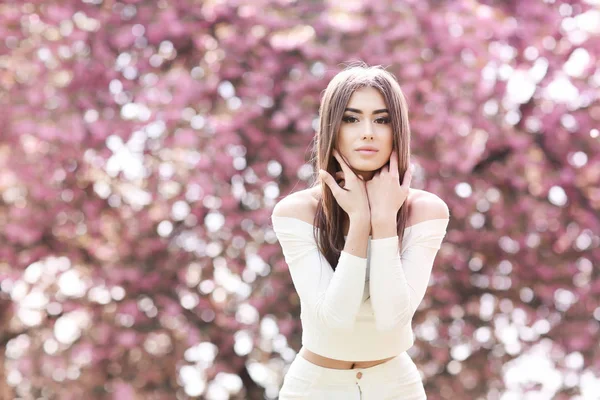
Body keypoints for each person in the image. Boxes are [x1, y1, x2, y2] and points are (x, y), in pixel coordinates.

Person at [271, 62, 450, 399]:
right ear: (332, 128)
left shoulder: (425, 211)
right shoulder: (296, 213)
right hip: (316, 388)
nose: (367, 132)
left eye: (382, 120)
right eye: (351, 119)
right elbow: (335, 319)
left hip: (395, 387)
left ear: (398, 131)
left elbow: (391, 318)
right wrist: (360, 224)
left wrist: (383, 223)